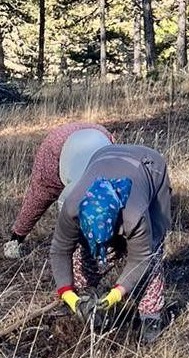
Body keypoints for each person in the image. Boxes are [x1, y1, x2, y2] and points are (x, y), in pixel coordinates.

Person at [50, 144, 171, 343]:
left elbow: (141, 258)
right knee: (87, 250)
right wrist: (69, 295)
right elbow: (60, 251)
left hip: (148, 166)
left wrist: (116, 294)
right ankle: (85, 297)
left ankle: (151, 315)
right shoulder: (72, 207)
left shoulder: (135, 216)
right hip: (103, 157)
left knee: (153, 248)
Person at [3, 122, 114, 259]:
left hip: (99, 136)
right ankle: (15, 240)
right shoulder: (72, 192)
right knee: (39, 197)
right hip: (57, 146)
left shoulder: (113, 179)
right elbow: (65, 211)